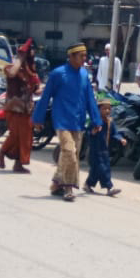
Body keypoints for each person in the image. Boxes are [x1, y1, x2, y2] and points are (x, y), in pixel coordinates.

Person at [32, 43, 102, 202]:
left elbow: (90, 99)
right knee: (70, 152)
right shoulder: (58, 74)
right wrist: (38, 118)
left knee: (69, 154)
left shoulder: (84, 75)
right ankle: (68, 187)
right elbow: (45, 96)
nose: (84, 59)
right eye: (81, 56)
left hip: (78, 121)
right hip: (62, 120)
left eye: (85, 56)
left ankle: (57, 184)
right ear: (70, 56)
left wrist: (96, 120)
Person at [0, 38, 41, 173]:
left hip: (26, 109)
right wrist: (20, 57)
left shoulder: (32, 70)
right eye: (30, 50)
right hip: (14, 108)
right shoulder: (12, 68)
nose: (32, 53)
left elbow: (36, 88)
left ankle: (18, 164)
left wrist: (44, 89)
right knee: (15, 135)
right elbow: (12, 73)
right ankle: (1, 154)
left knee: (26, 138)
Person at [84, 96, 126, 196]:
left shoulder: (110, 122)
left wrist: (121, 139)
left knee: (96, 170)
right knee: (103, 168)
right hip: (95, 150)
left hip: (105, 150)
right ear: (98, 110)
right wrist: (93, 132)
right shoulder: (95, 122)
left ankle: (88, 184)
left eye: (109, 109)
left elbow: (115, 133)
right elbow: (87, 134)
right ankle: (109, 187)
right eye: (104, 109)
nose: (107, 111)